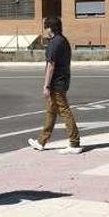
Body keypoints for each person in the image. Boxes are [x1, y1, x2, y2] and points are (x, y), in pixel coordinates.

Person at [29, 16, 82, 154]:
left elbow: (51, 66)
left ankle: (75, 143)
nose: (45, 30)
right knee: (51, 112)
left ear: (50, 28)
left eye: (45, 27)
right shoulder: (63, 40)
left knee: (64, 111)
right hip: (63, 79)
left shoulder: (54, 43)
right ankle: (41, 141)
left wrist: (46, 85)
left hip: (57, 82)